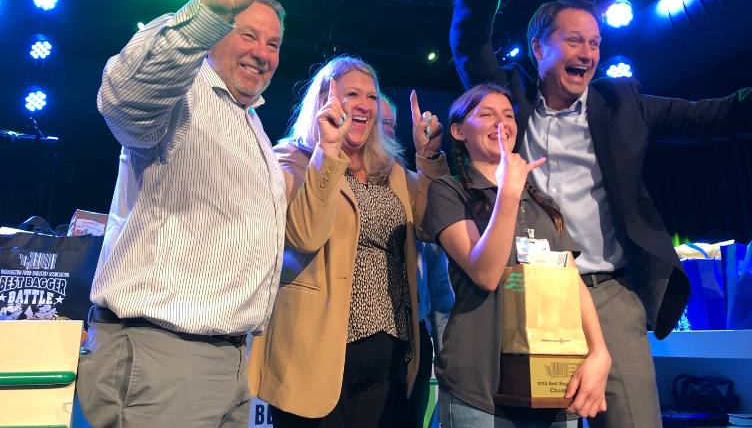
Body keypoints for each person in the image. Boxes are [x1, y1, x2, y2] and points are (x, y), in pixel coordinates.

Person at [449, 0, 752, 428]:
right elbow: (468, 44)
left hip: (609, 292)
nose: (588, 54)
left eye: (594, 43)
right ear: (539, 48)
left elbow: (713, 116)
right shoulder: (510, 102)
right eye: (574, 41)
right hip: (530, 287)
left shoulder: (623, 103)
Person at [76, 0, 286, 428]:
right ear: (215, 36)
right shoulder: (183, 91)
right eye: (247, 34)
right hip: (161, 359)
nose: (263, 52)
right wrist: (210, 11)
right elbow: (123, 98)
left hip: (232, 363)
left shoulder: (251, 124)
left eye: (275, 43)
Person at [248, 56, 449, 428]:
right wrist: (328, 151)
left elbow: (432, 226)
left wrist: (429, 158)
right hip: (317, 352)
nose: (364, 105)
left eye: (371, 97)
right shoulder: (292, 159)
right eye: (352, 93)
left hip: (390, 351)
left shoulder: (391, 171)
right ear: (326, 100)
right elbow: (305, 234)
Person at [423, 83, 611, 427]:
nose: (502, 123)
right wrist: (507, 192)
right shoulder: (448, 192)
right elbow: (487, 274)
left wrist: (599, 351)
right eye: (486, 114)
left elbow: (570, 279)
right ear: (458, 131)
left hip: (550, 386)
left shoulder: (542, 202)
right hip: (480, 391)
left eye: (508, 115)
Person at [381, 94, 455, 427]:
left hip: (413, 343)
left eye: (389, 123)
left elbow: (440, 290)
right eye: (371, 120)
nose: (381, 129)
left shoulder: (414, 186)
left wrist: (446, 359)